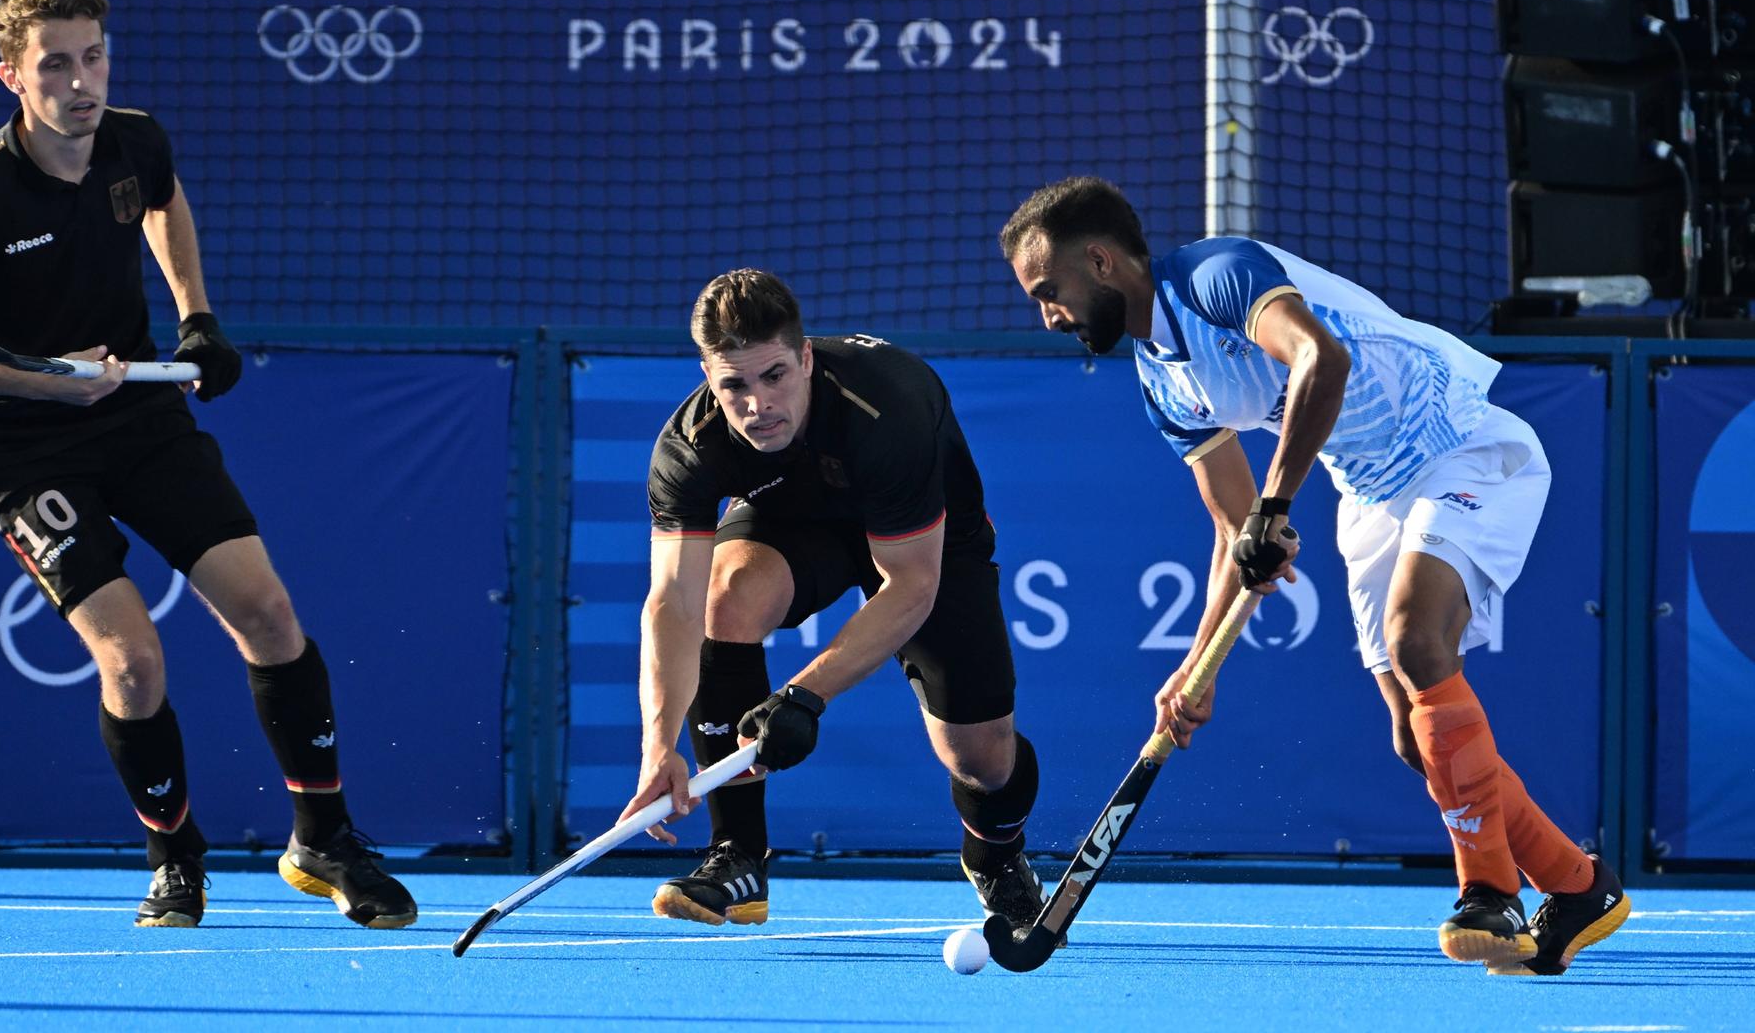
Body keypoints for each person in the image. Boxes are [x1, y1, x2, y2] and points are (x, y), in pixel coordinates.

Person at [0, 0, 415, 931]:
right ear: (12, 77)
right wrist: (51, 380)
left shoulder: (134, 138)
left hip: (135, 415)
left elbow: (163, 202)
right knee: (132, 660)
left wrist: (196, 319)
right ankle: (176, 860)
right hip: (20, 449)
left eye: (93, 57)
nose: (81, 81)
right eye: (55, 66)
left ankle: (324, 840)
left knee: (268, 611)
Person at [997, 176, 1630, 976]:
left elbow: (1318, 359)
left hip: (1460, 443)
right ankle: (1577, 886)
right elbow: (1233, 525)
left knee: (1417, 640)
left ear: (1100, 261)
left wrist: (1277, 502)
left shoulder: (1217, 275)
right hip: (1369, 490)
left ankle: (1489, 892)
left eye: (1049, 292)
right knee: (1413, 735)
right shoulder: (1162, 381)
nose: (1048, 314)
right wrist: (1196, 671)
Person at [618, 268, 1050, 934]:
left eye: (774, 377)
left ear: (806, 359)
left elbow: (911, 585)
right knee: (723, 595)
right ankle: (737, 855)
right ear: (707, 376)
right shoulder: (688, 447)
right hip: (795, 523)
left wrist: (803, 697)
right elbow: (671, 602)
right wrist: (658, 745)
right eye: (733, 384)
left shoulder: (888, 407)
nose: (757, 403)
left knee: (982, 760)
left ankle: (995, 853)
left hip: (928, 544)